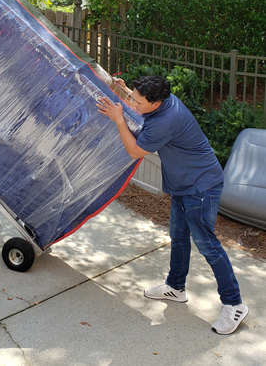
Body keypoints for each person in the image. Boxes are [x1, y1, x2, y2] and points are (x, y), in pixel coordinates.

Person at [96, 75, 248, 335]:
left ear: (156, 103)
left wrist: (119, 118)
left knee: (208, 246)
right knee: (178, 237)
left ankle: (234, 304)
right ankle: (176, 287)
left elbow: (134, 151)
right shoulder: (162, 102)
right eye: (132, 97)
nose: (133, 103)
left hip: (201, 187)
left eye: (138, 100)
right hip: (183, 183)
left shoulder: (166, 120)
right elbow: (139, 110)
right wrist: (122, 90)